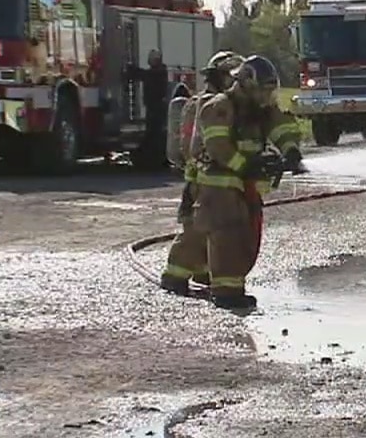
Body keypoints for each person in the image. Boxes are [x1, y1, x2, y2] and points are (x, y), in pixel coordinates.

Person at [187, 54, 303, 310]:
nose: (266, 98)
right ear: (246, 85)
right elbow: (217, 147)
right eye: (263, 91)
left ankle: (225, 286)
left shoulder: (259, 108)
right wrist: (246, 165)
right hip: (219, 184)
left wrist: (291, 150)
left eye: (269, 92)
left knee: (243, 237)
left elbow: (280, 125)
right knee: (227, 236)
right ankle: (227, 293)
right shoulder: (219, 107)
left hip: (242, 185)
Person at [159, 50, 244, 294]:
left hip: (205, 181)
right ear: (219, 77)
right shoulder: (206, 105)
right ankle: (175, 276)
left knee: (209, 231)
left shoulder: (221, 103)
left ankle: (201, 272)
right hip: (201, 182)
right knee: (198, 232)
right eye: (231, 77)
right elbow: (193, 148)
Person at [128, 49, 170, 163]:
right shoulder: (156, 72)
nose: (149, 60)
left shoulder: (159, 72)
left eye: (151, 58)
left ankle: (152, 157)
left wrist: (131, 70)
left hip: (156, 107)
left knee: (153, 133)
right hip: (153, 106)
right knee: (152, 132)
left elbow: (145, 75)